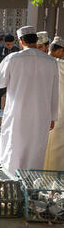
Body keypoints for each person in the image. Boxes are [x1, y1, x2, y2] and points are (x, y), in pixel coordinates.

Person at [0, 26, 59, 173]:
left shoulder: (12, 59)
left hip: (17, 113)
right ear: (36, 40)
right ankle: (31, 185)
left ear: (21, 41)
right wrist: (53, 116)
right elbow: (55, 91)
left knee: (14, 147)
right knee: (36, 150)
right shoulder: (50, 61)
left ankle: (11, 183)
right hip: (41, 115)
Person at [44, 36, 64, 171]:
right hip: (60, 113)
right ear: (60, 50)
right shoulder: (60, 65)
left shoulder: (42, 62)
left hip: (43, 111)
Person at [0, 33, 20, 109]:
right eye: (8, 44)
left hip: (13, 79)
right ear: (4, 42)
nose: (10, 46)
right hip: (1, 78)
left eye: (12, 44)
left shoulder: (17, 51)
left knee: (12, 99)